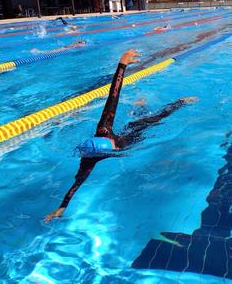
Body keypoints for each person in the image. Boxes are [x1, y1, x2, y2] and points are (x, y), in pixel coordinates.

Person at [44, 50, 198, 222]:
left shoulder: (104, 129)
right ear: (107, 152)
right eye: (113, 146)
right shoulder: (90, 160)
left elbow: (113, 96)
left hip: (132, 129)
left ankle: (180, 102)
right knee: (143, 125)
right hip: (136, 140)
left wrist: (122, 64)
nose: (113, 142)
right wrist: (63, 206)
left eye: (109, 141)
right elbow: (77, 182)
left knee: (153, 118)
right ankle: (141, 108)